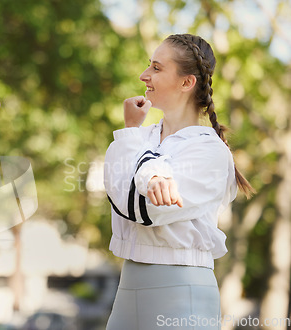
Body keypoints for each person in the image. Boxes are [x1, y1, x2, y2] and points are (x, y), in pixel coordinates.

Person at [104, 34, 254, 330]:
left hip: (181, 287)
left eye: (157, 68)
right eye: (149, 66)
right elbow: (116, 189)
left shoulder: (209, 150)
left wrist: (140, 166)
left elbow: (142, 209)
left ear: (187, 83)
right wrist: (134, 136)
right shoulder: (139, 136)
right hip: (128, 282)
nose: (143, 76)